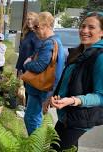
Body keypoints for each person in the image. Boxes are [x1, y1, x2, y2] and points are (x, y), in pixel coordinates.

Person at [47, 12, 103, 151]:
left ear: (102, 32)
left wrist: (73, 100)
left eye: (91, 27)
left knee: (55, 148)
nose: (84, 30)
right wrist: (53, 97)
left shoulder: (100, 57)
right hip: (67, 114)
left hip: (79, 117)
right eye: (83, 26)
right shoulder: (79, 53)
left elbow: (101, 96)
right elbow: (67, 81)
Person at [23, 12, 65, 135]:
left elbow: (39, 66)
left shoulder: (49, 43)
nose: (34, 30)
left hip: (39, 88)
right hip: (42, 87)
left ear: (46, 25)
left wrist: (27, 64)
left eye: (37, 27)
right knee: (36, 118)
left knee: (31, 118)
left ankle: (35, 145)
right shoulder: (55, 41)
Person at [15, 12, 42, 111]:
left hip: (30, 68)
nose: (29, 21)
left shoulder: (37, 34)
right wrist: (19, 68)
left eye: (31, 19)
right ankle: (25, 107)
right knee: (23, 88)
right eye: (28, 19)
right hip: (23, 67)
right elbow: (22, 51)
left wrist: (29, 63)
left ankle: (28, 110)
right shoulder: (27, 33)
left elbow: (37, 52)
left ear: (36, 20)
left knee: (29, 90)